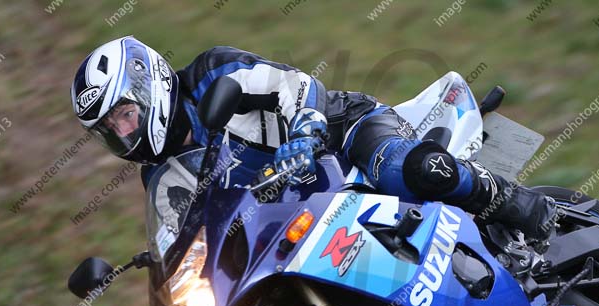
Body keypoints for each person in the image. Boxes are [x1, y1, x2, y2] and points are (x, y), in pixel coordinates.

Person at [71, 36, 555, 241]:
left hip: (342, 135)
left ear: (147, 82)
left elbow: (299, 87)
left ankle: (523, 205)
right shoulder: (161, 175)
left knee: (408, 170)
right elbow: (192, 234)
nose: (124, 132)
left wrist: (305, 130)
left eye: (125, 115)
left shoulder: (212, 74)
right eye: (110, 130)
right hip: (297, 210)